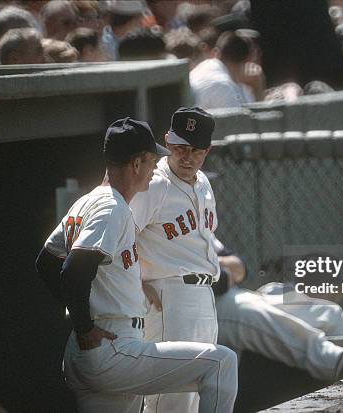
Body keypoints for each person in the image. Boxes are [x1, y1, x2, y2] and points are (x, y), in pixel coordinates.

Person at [35, 117, 238, 413]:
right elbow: (74, 268)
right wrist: (84, 325)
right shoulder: (112, 207)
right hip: (113, 347)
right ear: (137, 163)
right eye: (152, 160)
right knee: (221, 363)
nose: (156, 168)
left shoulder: (87, 201)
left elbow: (45, 263)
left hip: (95, 350)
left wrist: (84, 322)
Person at [129, 107, 221, 413]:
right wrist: (138, 282)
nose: (187, 157)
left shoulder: (204, 183)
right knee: (170, 397)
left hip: (204, 296)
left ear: (207, 150)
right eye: (181, 147)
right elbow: (120, 238)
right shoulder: (154, 184)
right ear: (167, 140)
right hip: (169, 296)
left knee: (193, 394)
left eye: (196, 150)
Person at [214, 242, 343, 382]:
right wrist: (222, 269)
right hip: (214, 306)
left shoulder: (203, 214)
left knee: (330, 313)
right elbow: (221, 280)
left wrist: (214, 264)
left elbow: (241, 268)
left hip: (246, 297)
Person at [189, 30, 256, 109]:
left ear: (216, 53)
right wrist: (257, 87)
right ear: (249, 60)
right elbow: (241, 120)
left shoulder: (204, 67)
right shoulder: (225, 86)